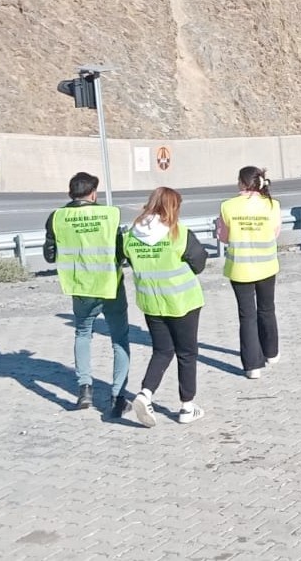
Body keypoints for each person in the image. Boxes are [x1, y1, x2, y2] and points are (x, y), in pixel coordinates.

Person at [42, 172, 130, 414]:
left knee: (83, 333)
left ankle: (84, 390)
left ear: (71, 193)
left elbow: (49, 255)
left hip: (80, 287)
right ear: (93, 194)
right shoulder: (109, 215)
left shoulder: (57, 217)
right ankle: (117, 397)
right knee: (119, 339)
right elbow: (122, 252)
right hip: (110, 285)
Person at [122, 187, 207, 427]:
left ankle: (145, 393)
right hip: (183, 302)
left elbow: (125, 257)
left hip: (152, 302)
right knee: (187, 353)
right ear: (173, 207)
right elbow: (199, 263)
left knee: (161, 351)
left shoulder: (131, 236)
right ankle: (187, 407)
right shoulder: (178, 233)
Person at [217, 166, 282, 379]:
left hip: (240, 268)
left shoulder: (228, 206)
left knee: (247, 316)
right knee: (266, 309)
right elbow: (274, 233)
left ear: (242, 183)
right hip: (266, 266)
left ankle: (253, 365)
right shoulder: (272, 205)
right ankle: (271, 353)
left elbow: (223, 237)